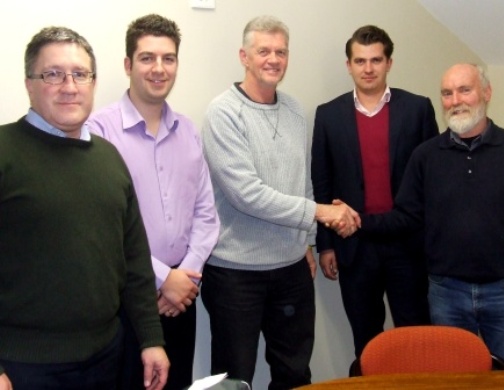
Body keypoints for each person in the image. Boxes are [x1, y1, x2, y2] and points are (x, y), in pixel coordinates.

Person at [0, 26, 169, 390]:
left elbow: (135, 259)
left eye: (80, 74)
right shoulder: (4, 152)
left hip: (107, 358)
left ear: (93, 83)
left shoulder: (108, 158)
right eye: (53, 74)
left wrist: (151, 338)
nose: (69, 86)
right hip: (22, 368)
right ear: (29, 84)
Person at [200, 15, 357, 390]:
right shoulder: (222, 113)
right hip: (236, 274)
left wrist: (306, 240)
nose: (274, 59)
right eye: (264, 51)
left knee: (294, 374)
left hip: (291, 270)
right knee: (233, 379)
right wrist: (321, 213)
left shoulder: (292, 109)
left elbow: (300, 181)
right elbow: (247, 194)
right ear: (244, 56)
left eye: (281, 52)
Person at [87, 14, 220, 390]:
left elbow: (207, 216)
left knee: (177, 384)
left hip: (183, 295)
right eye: (147, 58)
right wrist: (164, 278)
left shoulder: (188, 130)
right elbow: (103, 227)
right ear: (128, 65)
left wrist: (185, 278)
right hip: (127, 295)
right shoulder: (99, 133)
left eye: (168, 58)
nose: (159, 68)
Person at [360, 63, 504, 369]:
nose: (455, 100)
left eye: (465, 90)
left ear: (486, 92)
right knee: (450, 378)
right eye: (447, 93)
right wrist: (356, 221)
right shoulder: (425, 156)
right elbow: (405, 217)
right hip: (447, 294)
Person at [311, 25, 437, 368]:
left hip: (407, 246)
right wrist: (325, 245)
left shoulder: (418, 109)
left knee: (417, 341)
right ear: (349, 65)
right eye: (360, 60)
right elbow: (321, 185)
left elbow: (433, 182)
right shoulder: (328, 115)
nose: (368, 68)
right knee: (367, 345)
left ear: (389, 63)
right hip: (354, 247)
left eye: (376, 60)